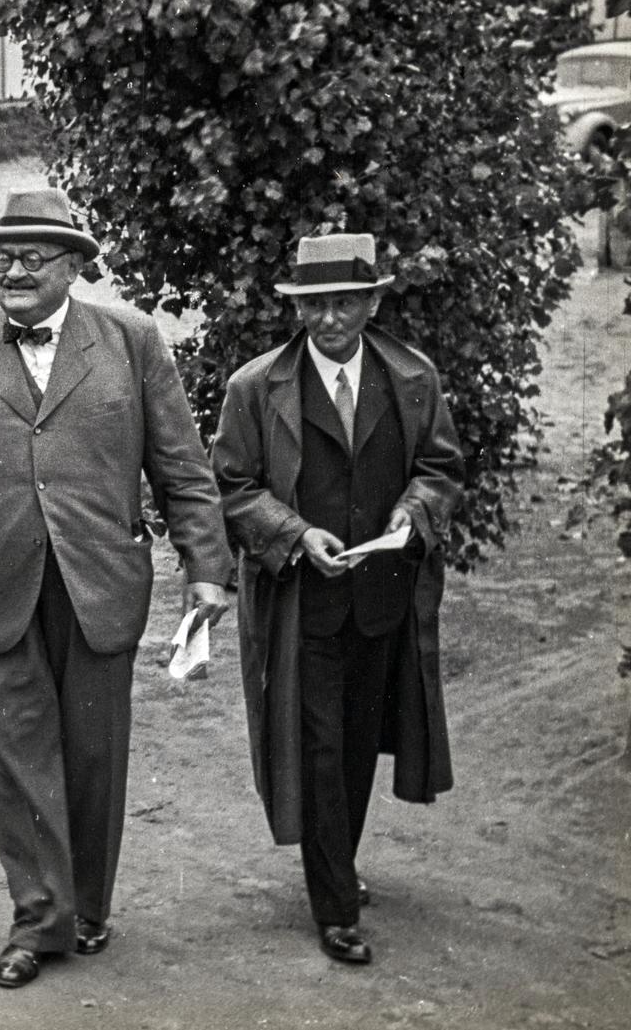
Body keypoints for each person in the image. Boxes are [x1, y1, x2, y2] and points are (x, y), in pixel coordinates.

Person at [0, 188, 233, 989]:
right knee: (15, 756)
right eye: (4, 257)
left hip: (97, 582)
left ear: (74, 267)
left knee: (93, 754)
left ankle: (88, 906)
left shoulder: (131, 340)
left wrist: (208, 569)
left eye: (33, 258)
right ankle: (38, 917)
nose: (12, 270)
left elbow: (181, 467)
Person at [210, 232, 464, 967]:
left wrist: (410, 515)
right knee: (319, 746)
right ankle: (336, 908)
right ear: (297, 307)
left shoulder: (412, 377)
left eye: (345, 303)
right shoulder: (256, 387)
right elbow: (231, 485)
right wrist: (293, 533)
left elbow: (441, 467)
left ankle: (338, 865)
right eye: (315, 304)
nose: (329, 319)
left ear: (372, 303)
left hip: (382, 598)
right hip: (302, 604)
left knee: (356, 744)